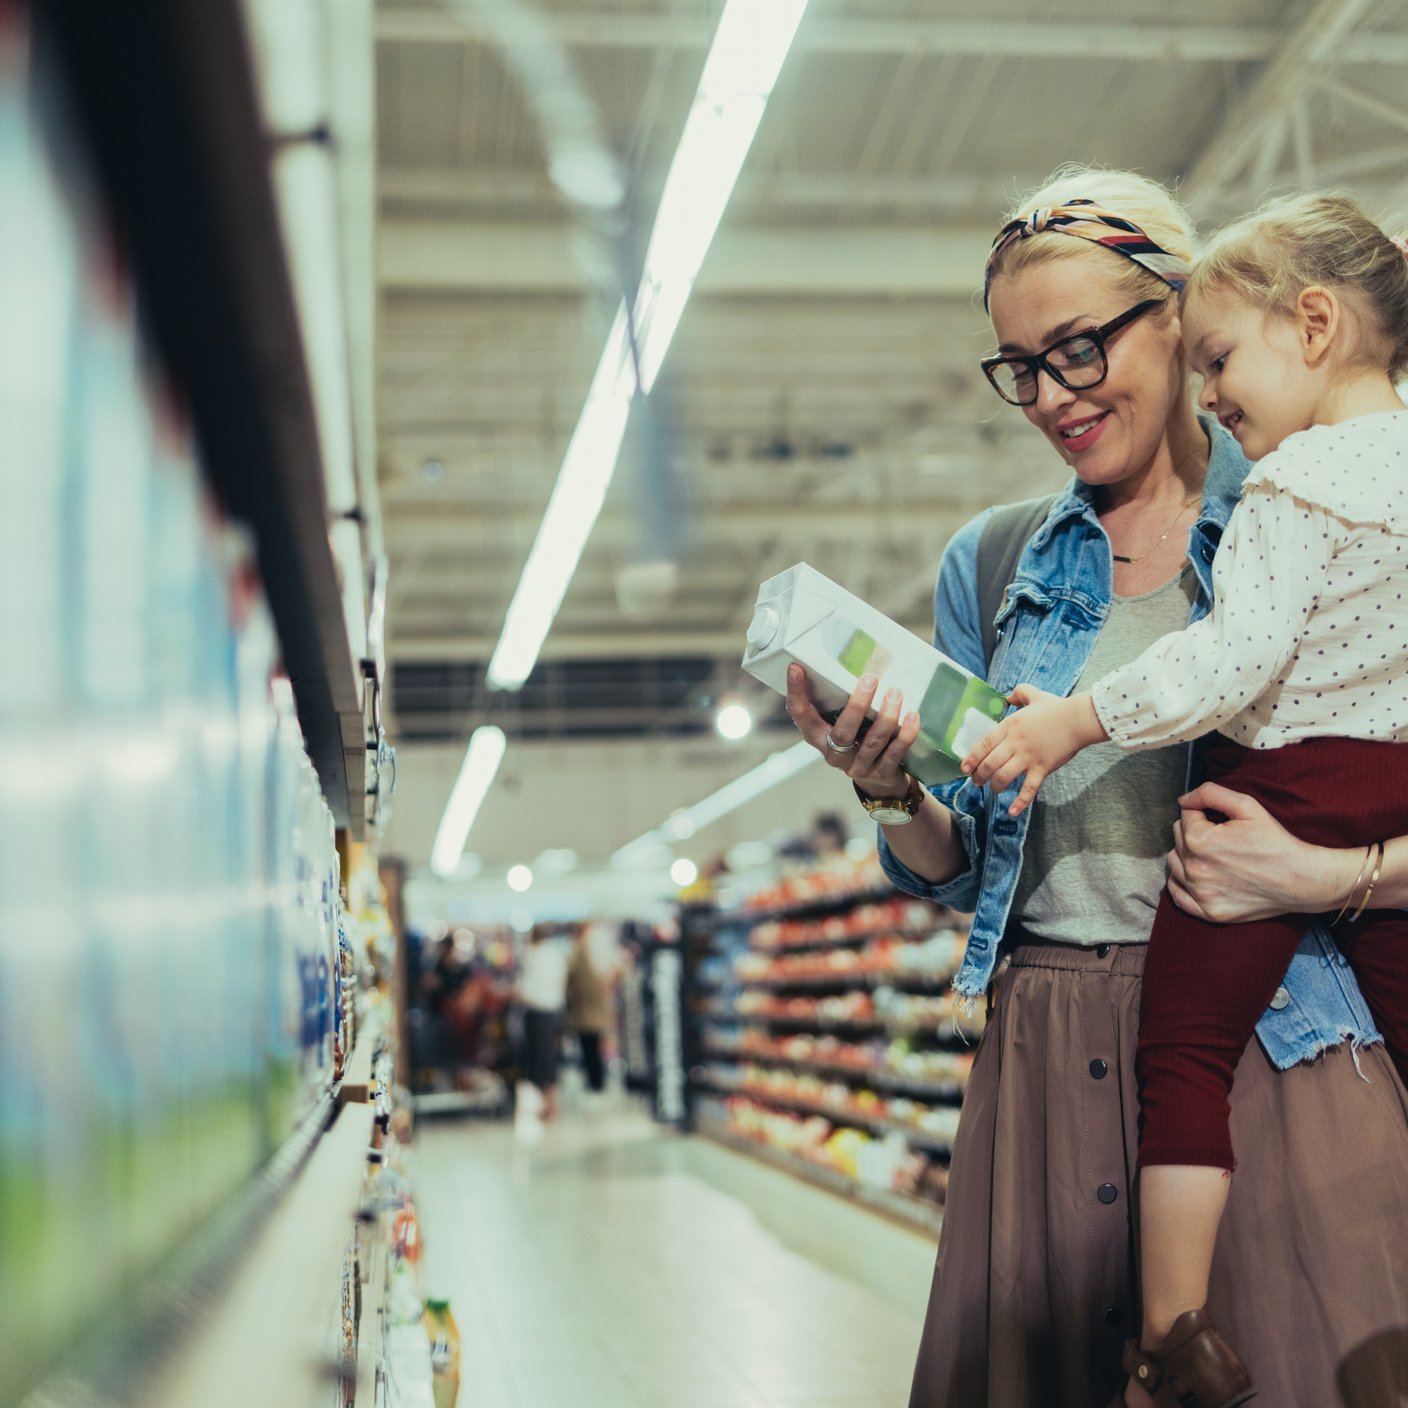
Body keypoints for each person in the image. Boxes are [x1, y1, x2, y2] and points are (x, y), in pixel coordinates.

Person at [783, 166, 1408, 1408]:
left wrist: (1337, 876)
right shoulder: (997, 560)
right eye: (1019, 366)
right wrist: (885, 789)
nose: (1052, 397)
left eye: (1079, 347)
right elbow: (955, 864)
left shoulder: (1320, 503)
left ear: (1180, 317)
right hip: (1044, 1059)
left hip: (1282, 1042)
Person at [516, 924, 570, 1120]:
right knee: (550, 1058)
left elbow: (526, 988)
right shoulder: (556, 954)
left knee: (540, 1060)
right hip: (555, 1012)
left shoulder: (534, 954)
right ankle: (551, 1102)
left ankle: (547, 1103)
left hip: (538, 1012)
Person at [565, 922, 611, 1096]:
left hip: (588, 1014)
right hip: (588, 1014)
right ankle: (595, 1082)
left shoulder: (584, 956)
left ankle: (596, 1083)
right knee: (591, 1050)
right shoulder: (587, 955)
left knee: (591, 1050)